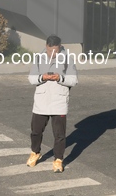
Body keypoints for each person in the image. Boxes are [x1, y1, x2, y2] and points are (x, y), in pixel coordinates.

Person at [26, 35, 78, 173]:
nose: (52, 54)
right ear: (46, 46)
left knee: (59, 135)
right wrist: (41, 77)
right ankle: (35, 152)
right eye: (50, 51)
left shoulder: (68, 59)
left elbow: (73, 80)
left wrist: (59, 78)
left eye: (55, 51)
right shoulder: (38, 58)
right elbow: (31, 79)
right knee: (36, 132)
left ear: (60, 47)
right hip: (41, 101)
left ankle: (58, 160)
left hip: (59, 101)